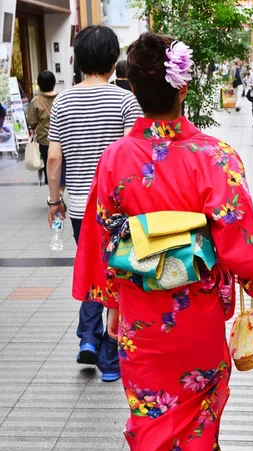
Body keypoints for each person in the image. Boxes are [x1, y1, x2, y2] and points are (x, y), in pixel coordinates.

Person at [73, 32, 253, 451]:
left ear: (134, 87)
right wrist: (248, 276)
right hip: (197, 312)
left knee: (150, 412)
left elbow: (102, 237)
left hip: (140, 313)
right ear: (183, 88)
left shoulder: (115, 159)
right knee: (198, 402)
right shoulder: (213, 156)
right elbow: (239, 235)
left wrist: (109, 300)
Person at [47, 26, 142, 382]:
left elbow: (54, 159)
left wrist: (54, 200)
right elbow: (134, 158)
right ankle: (110, 358)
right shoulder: (124, 101)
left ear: (80, 58)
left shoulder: (63, 100)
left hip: (78, 210)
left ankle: (88, 337)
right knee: (117, 276)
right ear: (112, 57)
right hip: (116, 209)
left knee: (92, 271)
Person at [27, 71, 66, 187]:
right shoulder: (61, 98)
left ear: (39, 84)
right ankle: (60, 192)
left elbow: (32, 122)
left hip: (44, 140)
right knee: (63, 166)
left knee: (49, 166)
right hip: (62, 139)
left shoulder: (36, 101)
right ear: (54, 82)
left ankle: (54, 194)